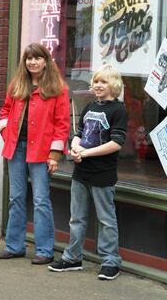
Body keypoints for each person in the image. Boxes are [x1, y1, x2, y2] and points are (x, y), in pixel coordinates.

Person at [49, 64, 127, 281]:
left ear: (113, 85)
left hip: (103, 174)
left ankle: (111, 261)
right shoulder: (90, 106)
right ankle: (73, 257)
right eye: (96, 82)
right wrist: (75, 147)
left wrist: (86, 152)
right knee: (77, 218)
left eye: (103, 82)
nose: (98, 85)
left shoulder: (118, 110)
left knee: (106, 220)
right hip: (81, 172)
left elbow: (116, 143)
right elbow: (78, 133)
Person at [0, 43, 70, 265]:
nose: (32, 62)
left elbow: (62, 124)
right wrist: (5, 130)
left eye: (37, 58)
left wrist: (55, 154)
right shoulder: (18, 84)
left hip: (42, 151)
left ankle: (45, 250)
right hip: (16, 148)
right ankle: (14, 246)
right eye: (29, 58)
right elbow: (5, 110)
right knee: (15, 198)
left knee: (40, 200)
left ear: (46, 60)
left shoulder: (58, 88)